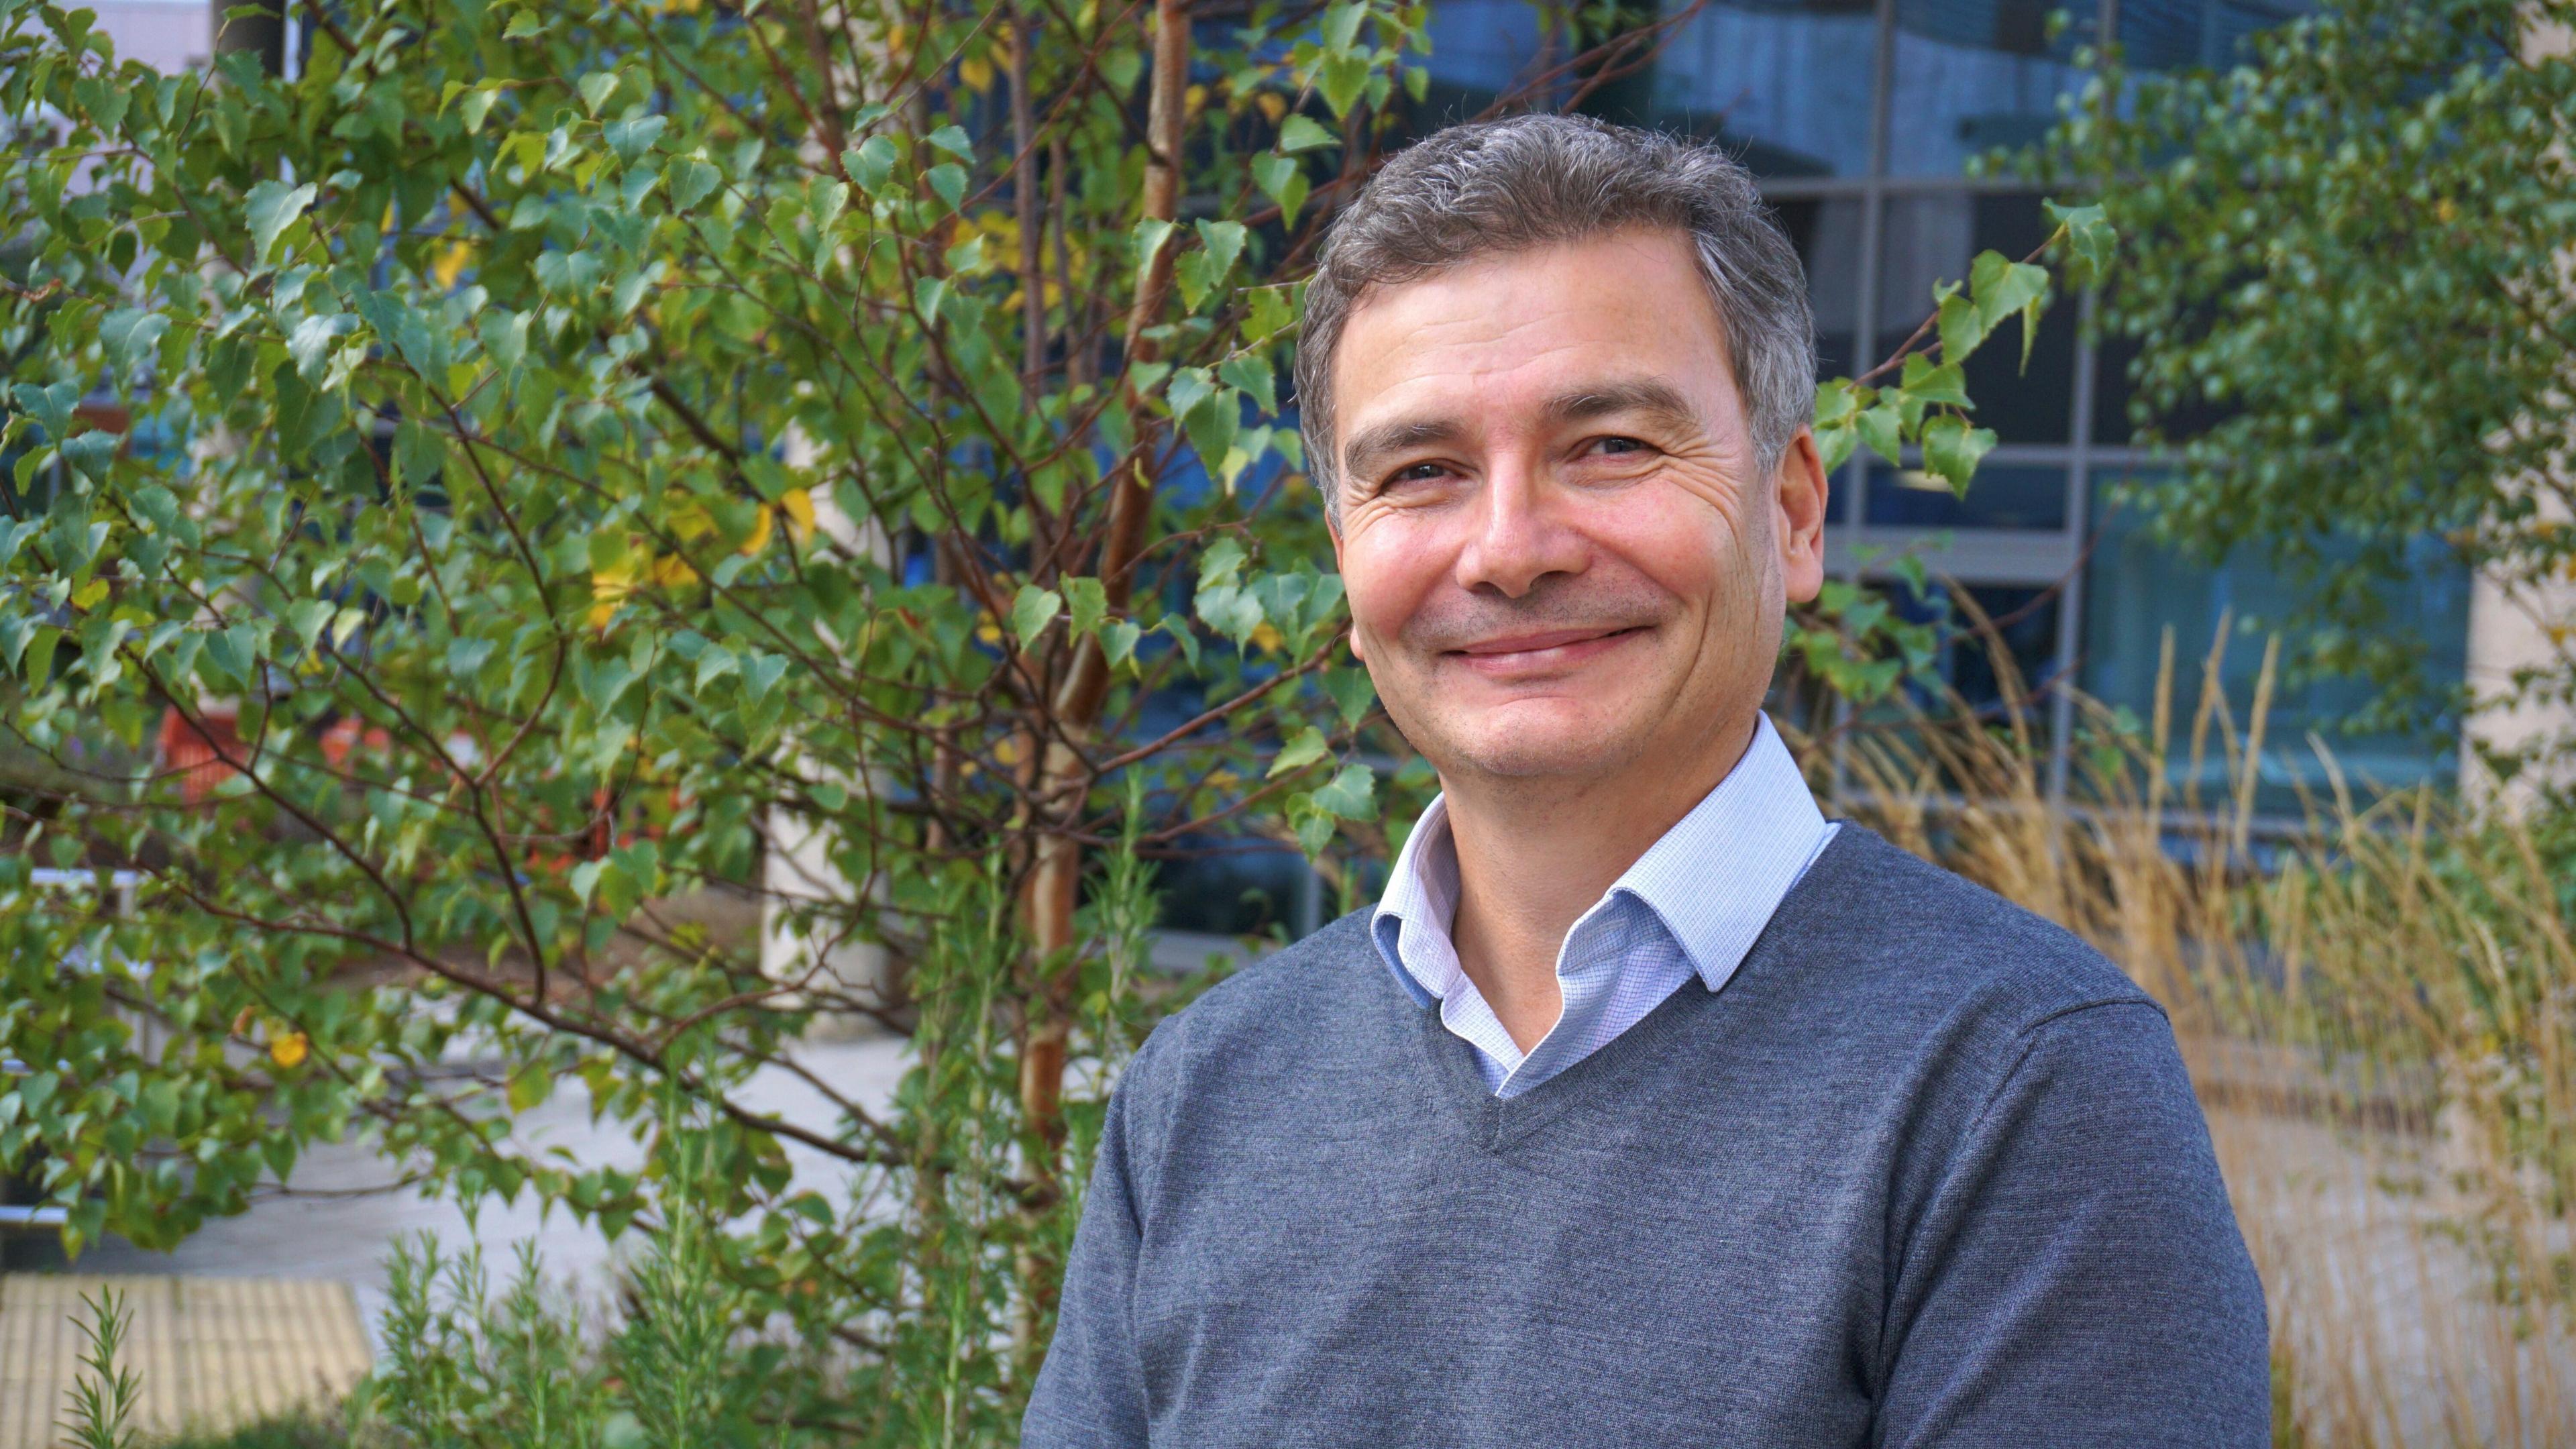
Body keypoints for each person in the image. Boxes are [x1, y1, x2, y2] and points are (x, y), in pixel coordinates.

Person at [1023, 114, 2268, 1448]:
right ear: (1344, 561)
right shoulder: (1209, 1086)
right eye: (1424, 472)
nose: (1507, 550)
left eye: (1611, 445)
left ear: (1792, 515)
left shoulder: (2026, 1093)